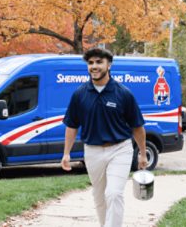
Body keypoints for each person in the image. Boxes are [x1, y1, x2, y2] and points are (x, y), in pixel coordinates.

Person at [61, 48, 147, 227]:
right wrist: (66, 153)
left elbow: (137, 127)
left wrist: (143, 154)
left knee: (114, 194)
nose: (94, 66)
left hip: (120, 149)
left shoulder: (123, 93)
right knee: (100, 197)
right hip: (92, 152)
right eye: (90, 63)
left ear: (109, 65)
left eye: (99, 62)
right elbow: (72, 125)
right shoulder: (79, 94)